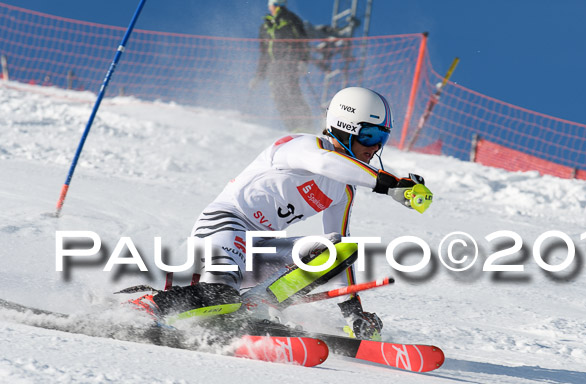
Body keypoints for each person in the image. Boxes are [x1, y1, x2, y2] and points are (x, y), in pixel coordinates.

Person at [132, 86, 432, 340]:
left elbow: (339, 252)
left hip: (259, 247)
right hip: (226, 226)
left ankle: (253, 306)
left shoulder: (344, 189)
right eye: (369, 135)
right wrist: (389, 183)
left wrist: (353, 313)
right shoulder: (301, 146)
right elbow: (326, 163)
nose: (375, 146)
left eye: (382, 137)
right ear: (346, 127)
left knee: (338, 249)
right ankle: (144, 309)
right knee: (220, 296)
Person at [250, 0, 313, 132]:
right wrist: (259, 76)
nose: (272, 7)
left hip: (289, 63)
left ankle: (306, 126)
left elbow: (303, 40)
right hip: (273, 67)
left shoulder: (290, 19)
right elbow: (264, 53)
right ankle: (293, 128)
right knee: (279, 97)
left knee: (292, 93)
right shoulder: (265, 26)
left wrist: (303, 60)